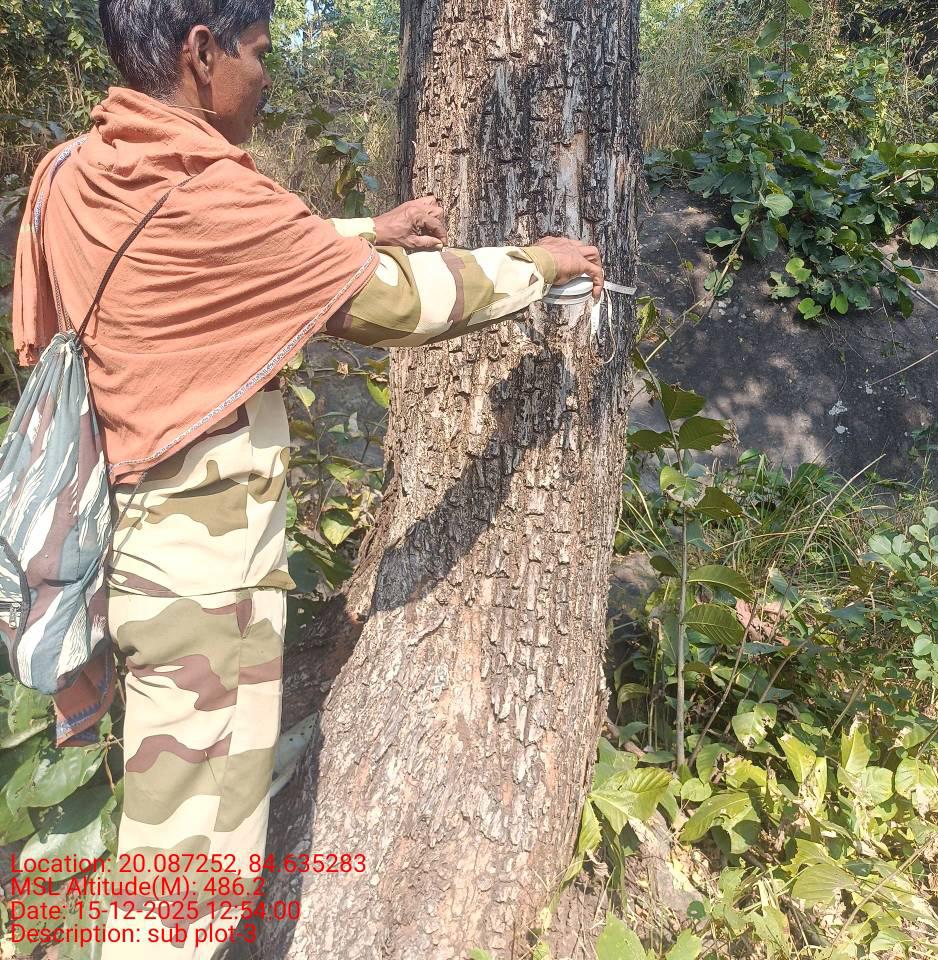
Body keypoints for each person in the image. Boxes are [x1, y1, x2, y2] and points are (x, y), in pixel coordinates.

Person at [12, 1, 604, 956]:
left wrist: (369, 225)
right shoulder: (209, 194)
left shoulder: (80, 172)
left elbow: (221, 248)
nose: (267, 77)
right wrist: (539, 265)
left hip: (121, 555)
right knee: (187, 892)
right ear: (201, 53)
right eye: (258, 53)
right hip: (206, 594)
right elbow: (394, 304)